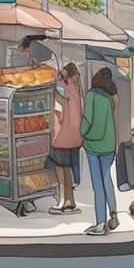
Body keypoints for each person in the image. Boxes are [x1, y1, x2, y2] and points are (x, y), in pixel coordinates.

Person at [80, 67, 120, 236]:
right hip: (109, 145)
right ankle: (114, 215)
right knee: (106, 179)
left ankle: (100, 223)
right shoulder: (112, 97)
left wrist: (82, 133)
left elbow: (87, 120)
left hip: (93, 146)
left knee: (98, 184)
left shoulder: (92, 95)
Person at [48, 63, 84, 215]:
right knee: (67, 169)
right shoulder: (77, 89)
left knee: (59, 168)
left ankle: (61, 201)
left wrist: (52, 91)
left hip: (61, 136)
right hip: (74, 138)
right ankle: (71, 201)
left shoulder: (62, 88)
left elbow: (60, 105)